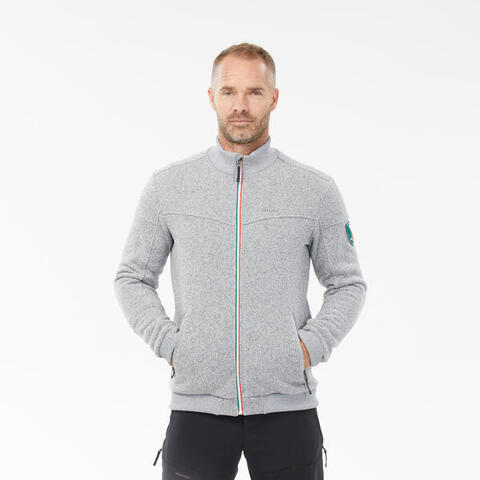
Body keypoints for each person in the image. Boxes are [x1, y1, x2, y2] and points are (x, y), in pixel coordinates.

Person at [113, 42, 367, 480]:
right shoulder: (168, 187)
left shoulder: (315, 190)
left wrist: (308, 347)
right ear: (212, 97)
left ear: (274, 98)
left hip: (288, 407)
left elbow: (347, 284)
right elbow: (132, 277)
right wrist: (172, 346)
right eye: (229, 92)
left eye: (254, 92)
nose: (241, 106)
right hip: (197, 407)